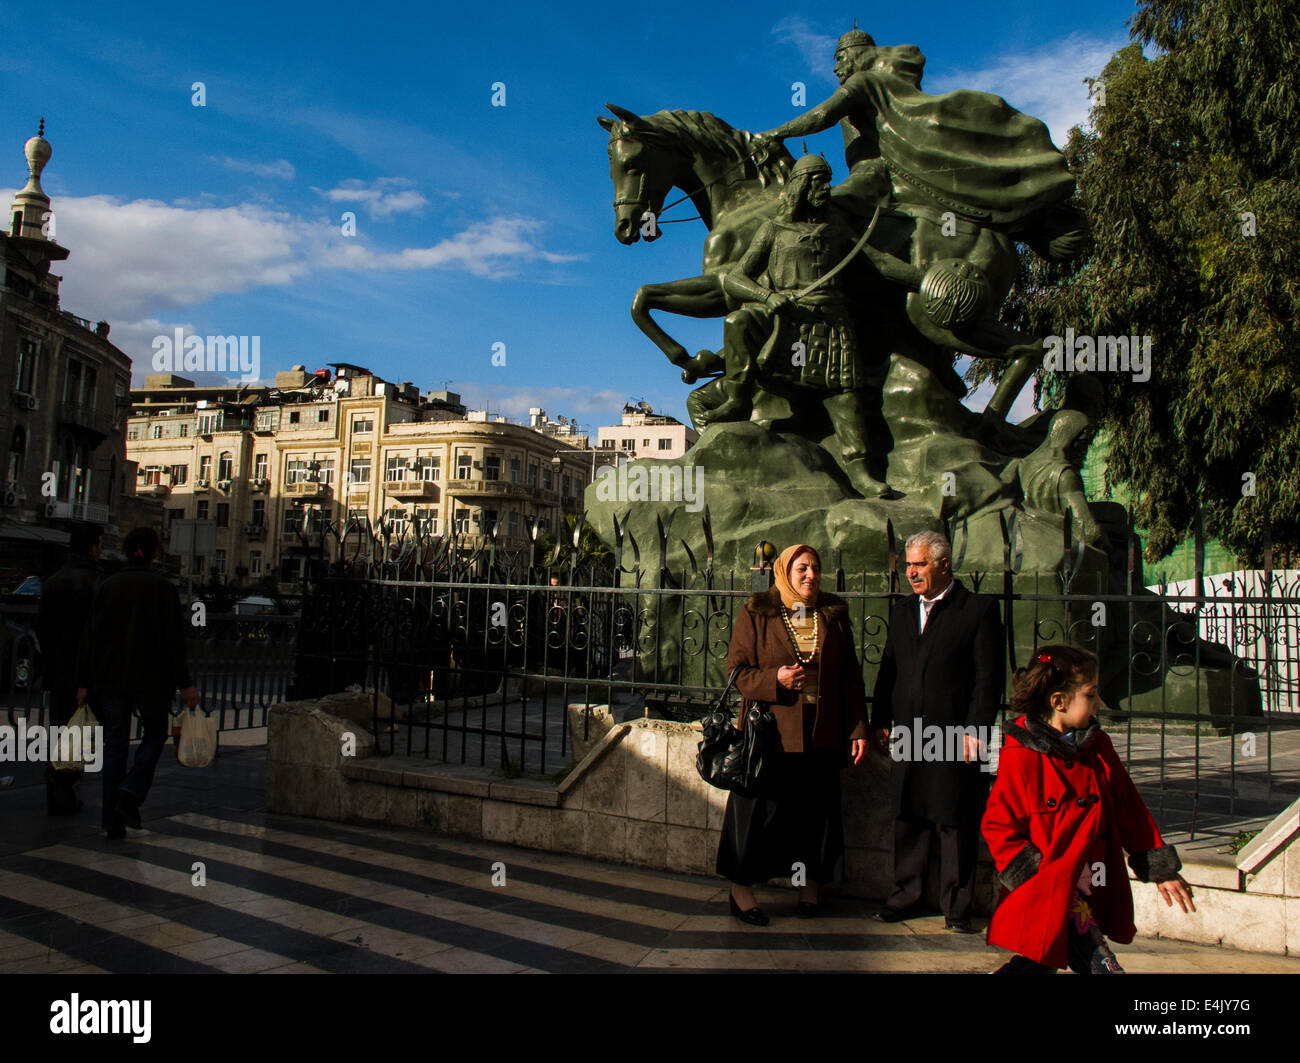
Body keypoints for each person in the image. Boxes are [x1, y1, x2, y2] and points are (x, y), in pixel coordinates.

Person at [982, 644, 1195, 973]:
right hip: (1051, 890)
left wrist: (1159, 867)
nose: (1099, 704)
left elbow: (1129, 807)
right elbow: (999, 826)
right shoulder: (1022, 756)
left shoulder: (1099, 747)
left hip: (1095, 881)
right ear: (1059, 701)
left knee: (1039, 963)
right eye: (1091, 694)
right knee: (1101, 966)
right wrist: (1039, 880)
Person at [718, 544, 868, 924]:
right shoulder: (758, 611)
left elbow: (850, 677)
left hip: (820, 733)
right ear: (784, 571)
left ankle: (807, 887)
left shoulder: (832, 615)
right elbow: (736, 672)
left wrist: (857, 729)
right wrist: (776, 679)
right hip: (770, 735)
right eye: (802, 569)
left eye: (815, 568)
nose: (810, 576)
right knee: (756, 815)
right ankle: (742, 892)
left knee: (813, 815)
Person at [870, 530, 1002, 931]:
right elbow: (889, 669)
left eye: (920, 564)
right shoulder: (902, 611)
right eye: (908, 564)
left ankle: (956, 906)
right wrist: (879, 720)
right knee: (909, 815)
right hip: (908, 732)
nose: (911, 572)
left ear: (944, 565)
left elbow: (988, 677)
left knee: (954, 818)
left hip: (956, 735)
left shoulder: (977, 610)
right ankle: (905, 895)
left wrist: (976, 730)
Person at [76, 527, 199, 839]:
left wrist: (84, 682)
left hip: (110, 678)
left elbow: (91, 637)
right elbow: (174, 641)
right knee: (155, 735)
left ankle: (111, 821)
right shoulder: (163, 589)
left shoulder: (107, 586)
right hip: (152, 679)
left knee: (115, 745)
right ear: (154, 552)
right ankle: (130, 791)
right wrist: (185, 683)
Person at [35, 522, 103, 814]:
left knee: (62, 728)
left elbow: (42, 628)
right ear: (92, 547)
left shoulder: (53, 581)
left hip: (57, 669)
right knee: (84, 731)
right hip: (85, 672)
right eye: (99, 543)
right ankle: (61, 779)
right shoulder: (97, 582)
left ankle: (58, 791)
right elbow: (97, 633)